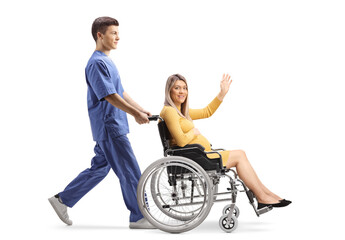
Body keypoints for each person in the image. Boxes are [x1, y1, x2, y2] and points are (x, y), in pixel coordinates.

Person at [48, 16, 155, 229]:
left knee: (99, 169)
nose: (118, 37)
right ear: (100, 35)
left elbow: (120, 91)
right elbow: (110, 96)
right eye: (113, 33)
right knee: (129, 169)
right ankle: (139, 216)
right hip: (110, 126)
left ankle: (62, 200)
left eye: (117, 32)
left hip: (111, 125)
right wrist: (134, 114)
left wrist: (141, 109)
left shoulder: (106, 61)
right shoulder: (96, 63)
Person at [160, 73, 292, 209]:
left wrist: (222, 93)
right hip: (195, 158)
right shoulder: (170, 111)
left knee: (241, 154)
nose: (182, 91)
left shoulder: (181, 112)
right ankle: (263, 197)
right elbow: (181, 142)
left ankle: (267, 194)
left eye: (185, 88)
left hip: (200, 155)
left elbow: (207, 111)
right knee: (240, 155)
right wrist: (193, 132)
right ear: (169, 90)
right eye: (177, 88)